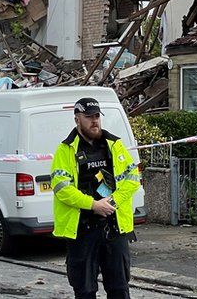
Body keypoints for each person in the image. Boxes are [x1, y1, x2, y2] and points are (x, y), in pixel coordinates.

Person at [50, 97, 140, 299]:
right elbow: (62, 188)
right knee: (85, 290)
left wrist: (112, 202)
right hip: (83, 230)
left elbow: (132, 179)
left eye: (97, 116)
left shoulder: (114, 145)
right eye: (88, 117)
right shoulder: (65, 150)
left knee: (119, 288)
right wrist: (93, 205)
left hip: (113, 228)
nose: (94, 121)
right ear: (77, 119)